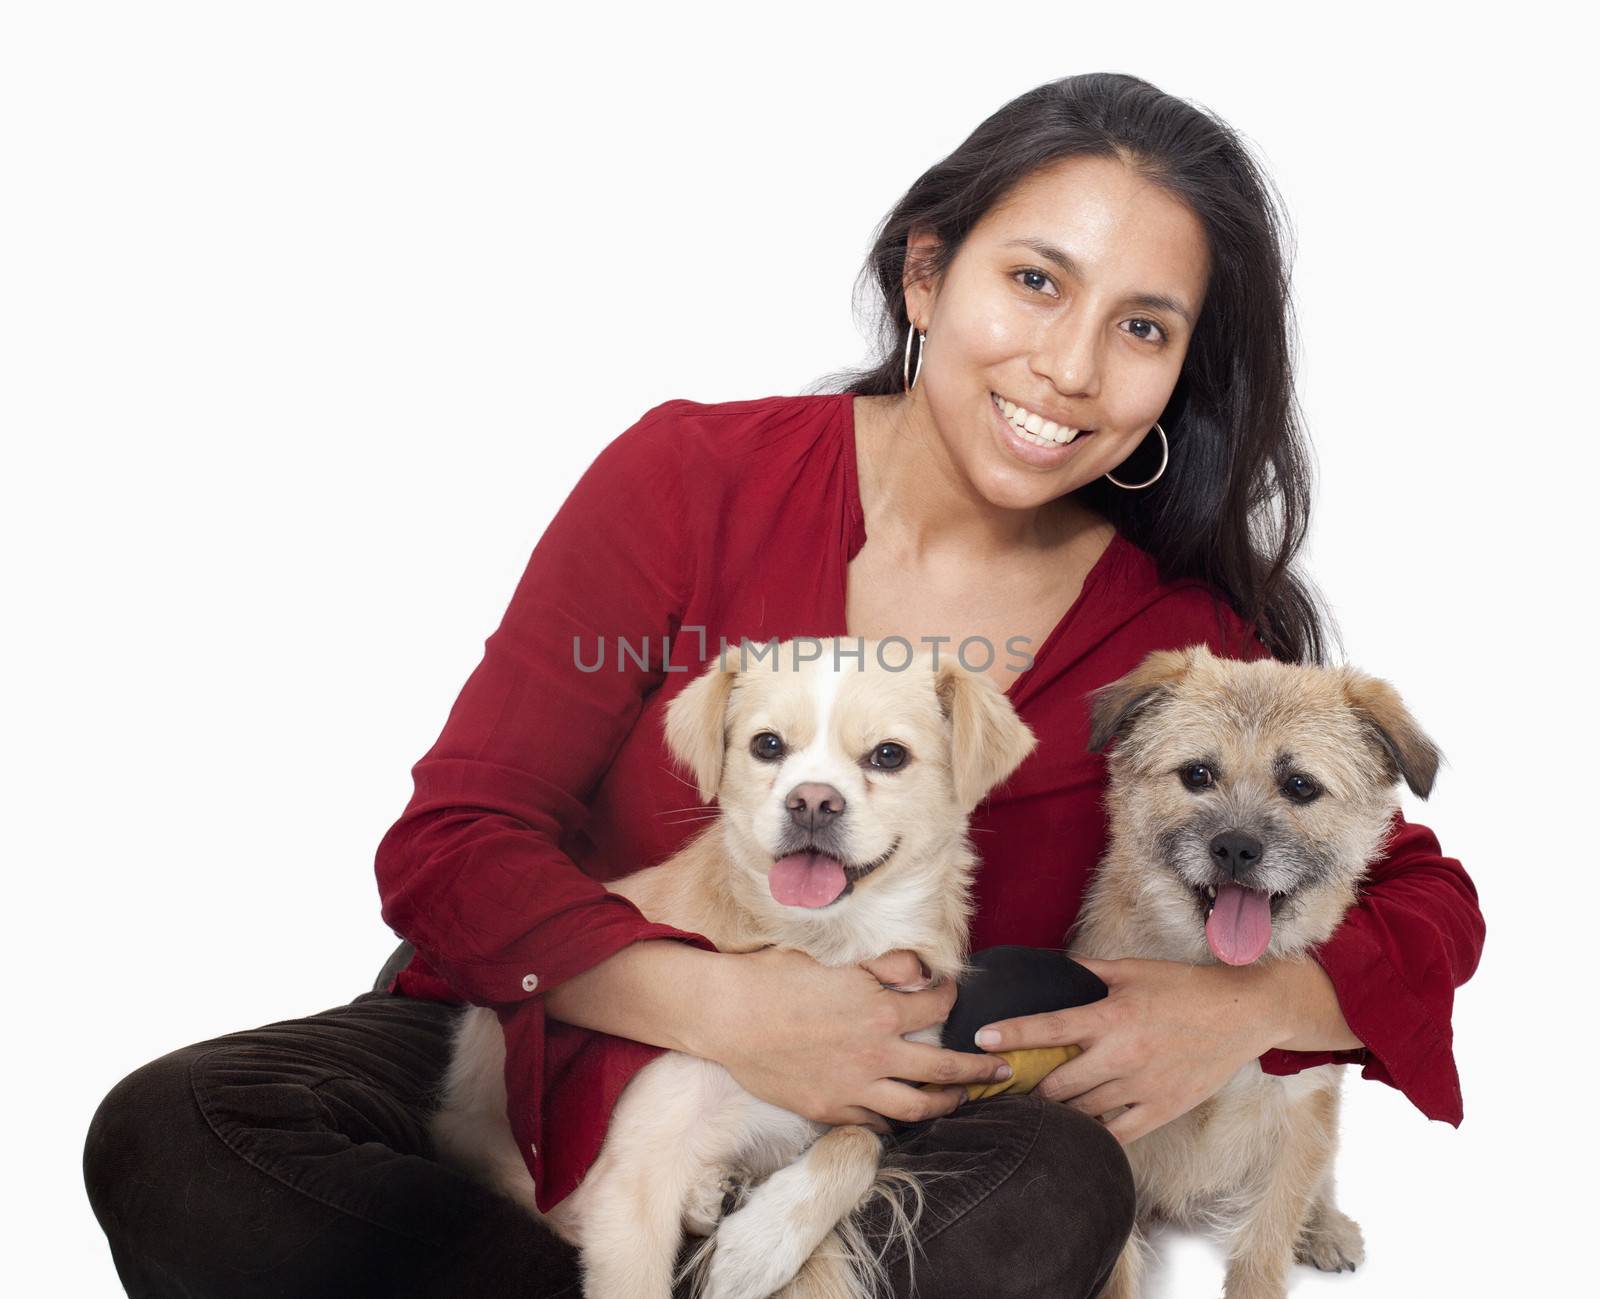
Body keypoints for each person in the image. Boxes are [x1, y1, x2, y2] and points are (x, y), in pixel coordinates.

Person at [83, 71, 1484, 1299]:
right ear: (927, 274)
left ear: (1182, 372)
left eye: (1144, 327)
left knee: (1054, 1189)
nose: (1067, 365)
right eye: (1036, 281)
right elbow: (456, 839)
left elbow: (1418, 893)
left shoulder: (1172, 647)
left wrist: (1244, 1009)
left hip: (886, 1119)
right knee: (179, 1134)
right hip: (554, 1037)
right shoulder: (694, 478)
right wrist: (726, 1009)